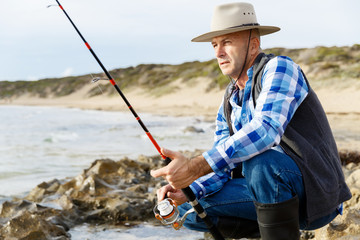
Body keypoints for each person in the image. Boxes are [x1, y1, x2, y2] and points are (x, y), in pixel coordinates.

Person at [151, 2, 352, 240]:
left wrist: (194, 166)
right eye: (215, 45)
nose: (218, 52)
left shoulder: (280, 68)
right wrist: (189, 189)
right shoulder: (228, 101)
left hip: (315, 194)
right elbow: (223, 166)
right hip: (272, 194)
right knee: (190, 208)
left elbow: (266, 129)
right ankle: (274, 232)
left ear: (254, 44)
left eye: (227, 42)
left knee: (262, 162)